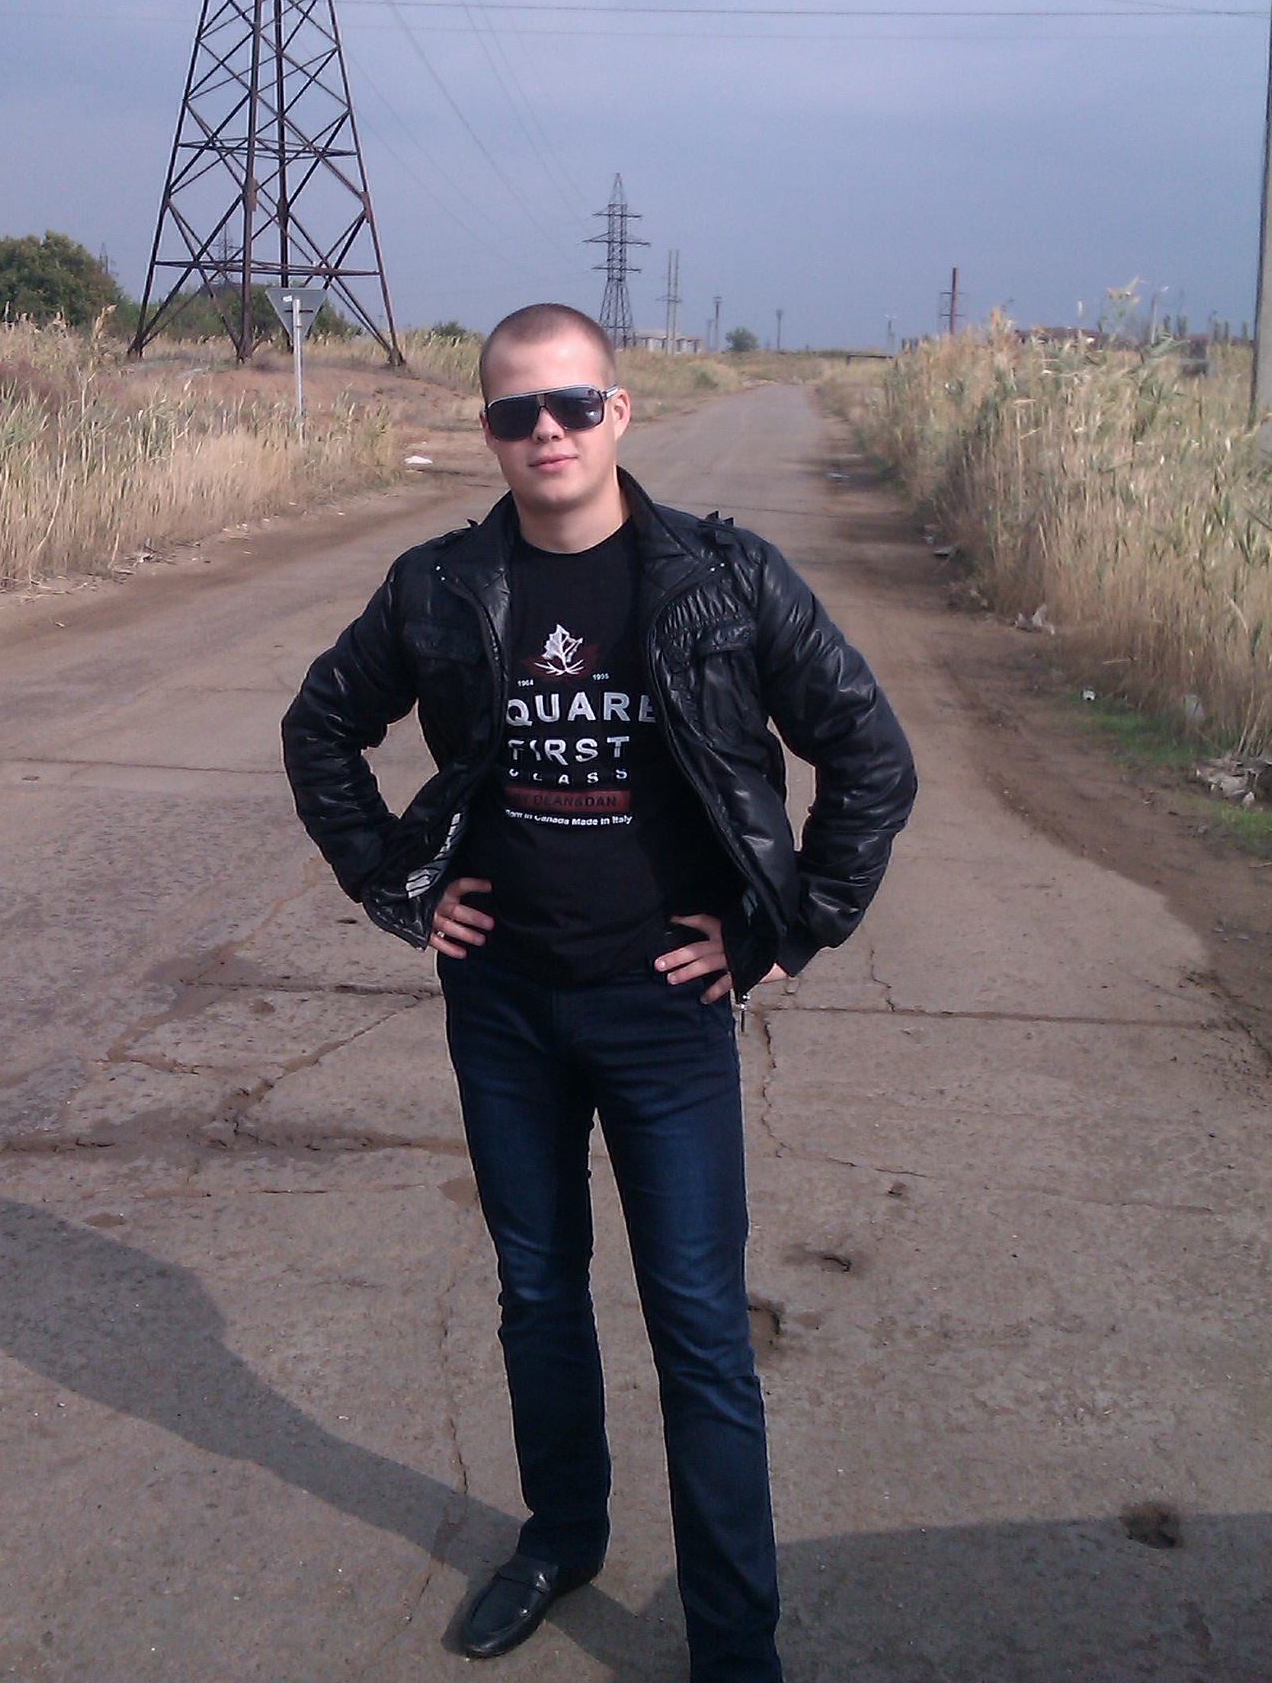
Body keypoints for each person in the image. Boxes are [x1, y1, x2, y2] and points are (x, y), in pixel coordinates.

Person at [282, 303, 916, 1680]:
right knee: (536, 1291)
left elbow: (870, 755)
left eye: (572, 404)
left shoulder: (723, 580)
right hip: (505, 1007)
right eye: (517, 413)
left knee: (699, 1329)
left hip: (662, 1014)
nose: (548, 433)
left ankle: (735, 1643)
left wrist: (788, 932)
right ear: (490, 431)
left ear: (619, 411)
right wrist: (398, 886)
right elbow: (321, 724)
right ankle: (562, 1536)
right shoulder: (440, 588)